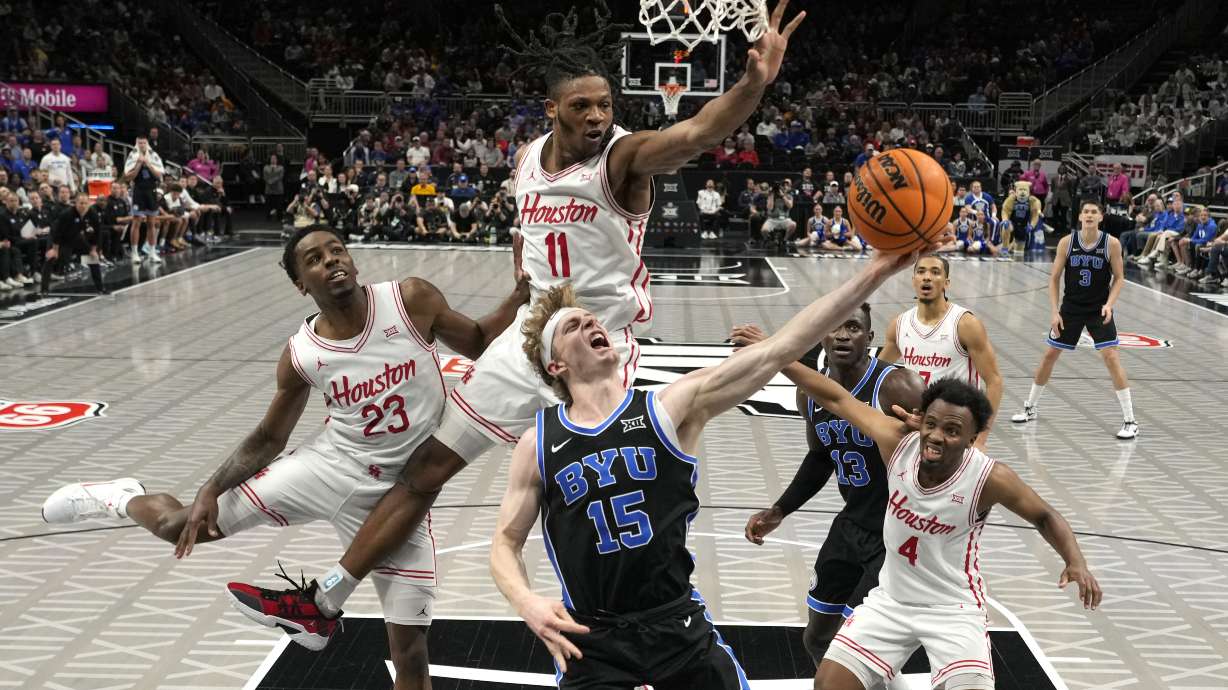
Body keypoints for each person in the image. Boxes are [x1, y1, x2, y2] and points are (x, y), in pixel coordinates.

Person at [230, 0, 809, 649]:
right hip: (528, 342)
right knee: (423, 471)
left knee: (603, 495)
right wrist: (523, 264)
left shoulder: (622, 161)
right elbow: (534, 230)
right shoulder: (529, 157)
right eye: (583, 107)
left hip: (593, 350)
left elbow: (695, 134)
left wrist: (753, 84)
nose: (597, 118)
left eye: (605, 106)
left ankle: (644, 625)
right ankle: (324, 605)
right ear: (551, 110)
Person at [41, 225, 530, 689]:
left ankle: (318, 607)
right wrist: (212, 487)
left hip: (400, 498)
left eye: (336, 250)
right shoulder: (302, 354)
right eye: (314, 260)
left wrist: (519, 294)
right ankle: (120, 499)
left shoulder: (409, 299)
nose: (331, 260)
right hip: (329, 468)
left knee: (410, 654)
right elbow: (271, 437)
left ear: (352, 260)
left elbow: (480, 341)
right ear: (301, 285)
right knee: (181, 524)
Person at [490, 247, 926, 688]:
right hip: (591, 637)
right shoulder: (539, 444)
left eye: (592, 319)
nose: (591, 323)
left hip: (675, 623)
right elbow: (505, 542)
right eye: (573, 326)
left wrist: (877, 270)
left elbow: (781, 348)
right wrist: (526, 602)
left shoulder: (667, 408)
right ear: (555, 364)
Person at [786, 372, 1101, 690]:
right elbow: (838, 399)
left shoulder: (988, 478)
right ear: (920, 420)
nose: (936, 436)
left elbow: (1044, 515)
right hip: (891, 601)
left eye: (952, 430)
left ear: (972, 437)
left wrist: (1076, 562)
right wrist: (780, 356)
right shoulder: (897, 443)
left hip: (954, 609)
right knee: (827, 685)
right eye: (931, 424)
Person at [733, 309, 924, 683]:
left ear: (870, 338)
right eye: (833, 326)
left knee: (857, 646)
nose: (841, 335)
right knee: (817, 638)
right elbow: (820, 457)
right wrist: (780, 510)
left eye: (853, 327)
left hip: (897, 535)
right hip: (851, 526)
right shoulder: (809, 393)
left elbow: (941, 458)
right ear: (821, 336)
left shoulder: (898, 386)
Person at [1011, 201, 1138, 439]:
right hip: (1070, 308)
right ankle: (1030, 406)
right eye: (1086, 212)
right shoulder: (1066, 243)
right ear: (1080, 216)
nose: (1089, 215)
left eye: (1094, 212)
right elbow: (1054, 279)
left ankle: (1130, 420)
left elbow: (1119, 278)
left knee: (1111, 357)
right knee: (1049, 355)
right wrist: (1053, 311)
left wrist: (1110, 305)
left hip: (1098, 309)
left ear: (1101, 217)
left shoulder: (1111, 244)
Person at [877, 255, 1003, 449]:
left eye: (935, 272)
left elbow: (994, 382)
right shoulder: (899, 324)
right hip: (915, 427)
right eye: (921, 272)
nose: (927, 277)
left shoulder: (965, 324)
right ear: (913, 280)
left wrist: (980, 438)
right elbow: (876, 376)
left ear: (946, 283)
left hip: (956, 428)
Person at [41, 192, 106, 295]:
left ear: (89, 203)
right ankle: (44, 289)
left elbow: (97, 233)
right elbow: (57, 233)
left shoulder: (92, 214)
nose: (83, 206)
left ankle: (100, 288)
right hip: (58, 238)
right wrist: (55, 249)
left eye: (85, 203)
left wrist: (93, 250)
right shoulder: (67, 214)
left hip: (76, 237)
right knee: (51, 258)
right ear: (75, 203)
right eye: (81, 203)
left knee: (93, 259)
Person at [123, 136, 165, 264]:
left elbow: (159, 176)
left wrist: (148, 164)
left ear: (147, 143)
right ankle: (135, 253)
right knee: (137, 222)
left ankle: (152, 252)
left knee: (152, 223)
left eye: (144, 142)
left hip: (151, 190)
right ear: (136, 143)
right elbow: (127, 177)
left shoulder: (154, 155)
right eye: (139, 142)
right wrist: (139, 164)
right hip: (138, 190)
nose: (142, 145)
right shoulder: (132, 155)